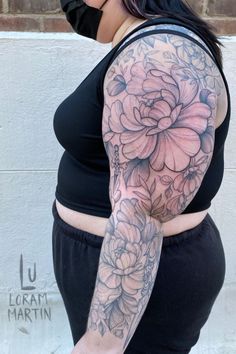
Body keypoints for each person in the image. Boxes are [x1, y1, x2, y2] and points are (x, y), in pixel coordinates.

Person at [52, 1, 231, 353]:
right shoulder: (143, 45)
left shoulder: (159, 58)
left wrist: (101, 346)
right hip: (117, 269)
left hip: (141, 281)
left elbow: (143, 212)